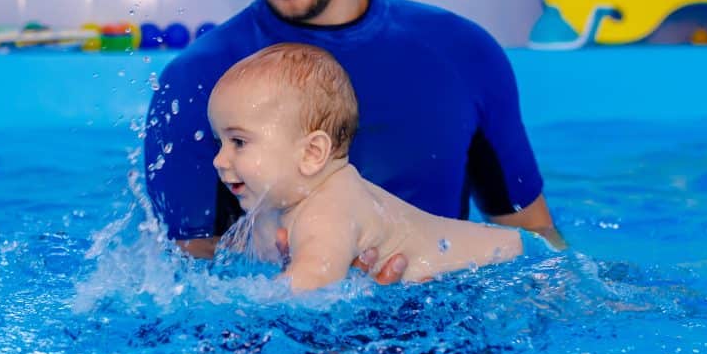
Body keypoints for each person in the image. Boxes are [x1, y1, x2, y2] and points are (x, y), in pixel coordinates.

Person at [144, 0, 561, 283]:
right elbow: (188, 295)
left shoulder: (463, 56)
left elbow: (545, 259)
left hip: (446, 347)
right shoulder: (195, 85)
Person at [208, 42, 523, 290]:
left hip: (505, 265)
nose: (219, 160)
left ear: (311, 153)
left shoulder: (329, 209)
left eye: (238, 142)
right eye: (218, 142)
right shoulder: (277, 206)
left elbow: (311, 287)